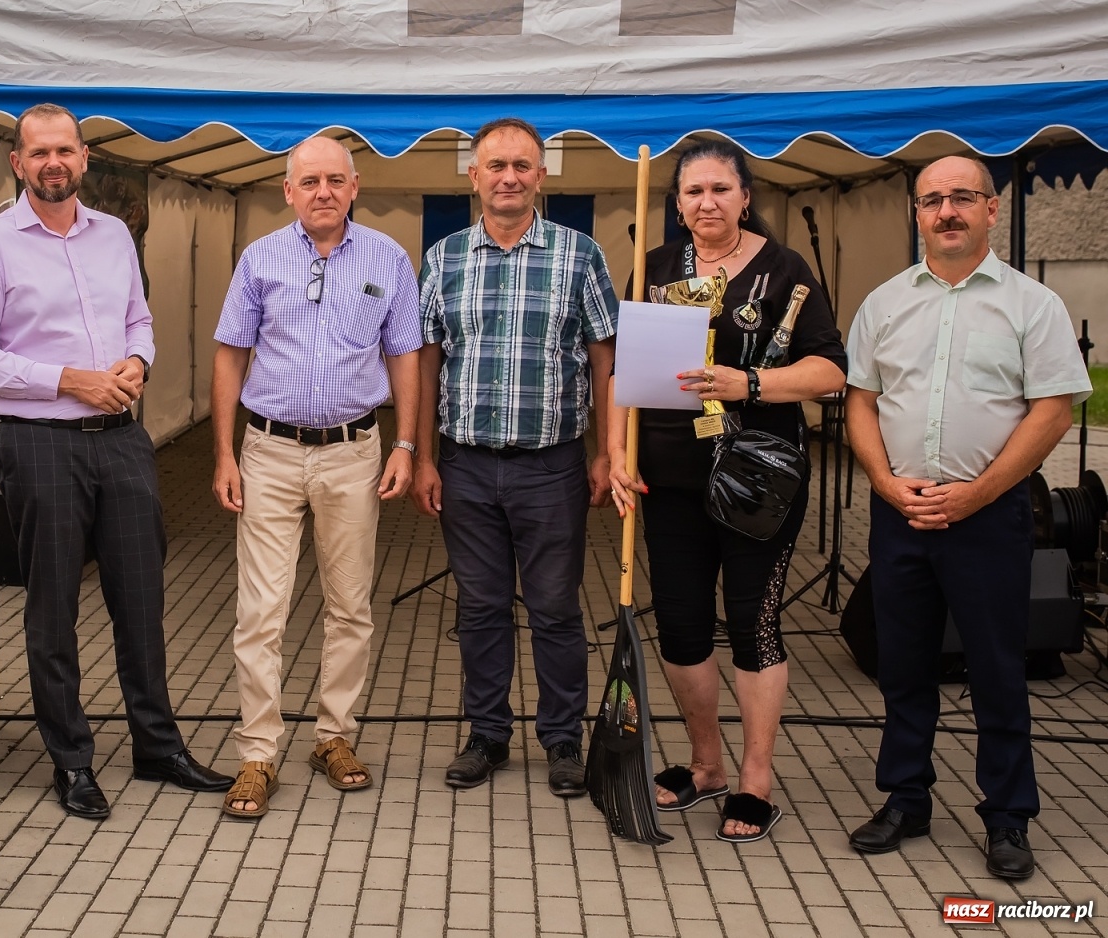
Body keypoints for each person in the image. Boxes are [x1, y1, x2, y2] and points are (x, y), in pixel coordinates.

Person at [0, 103, 230, 821]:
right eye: (38, 152)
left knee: (141, 600)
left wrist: (137, 359)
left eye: (65, 151)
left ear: (84, 158)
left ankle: (156, 746)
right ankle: (71, 761)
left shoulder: (113, 236)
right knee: (54, 608)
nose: (53, 164)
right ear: (18, 162)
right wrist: (68, 379)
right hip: (39, 443)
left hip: (123, 440)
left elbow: (140, 316)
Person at [844, 155, 1090, 880]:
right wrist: (884, 482)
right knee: (904, 665)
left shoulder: (1030, 304)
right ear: (916, 214)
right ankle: (906, 798)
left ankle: (1008, 816)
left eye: (961, 198)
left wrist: (979, 492)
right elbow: (860, 399)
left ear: (990, 209)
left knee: (997, 668)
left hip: (988, 517)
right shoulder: (884, 303)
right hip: (902, 512)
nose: (946, 211)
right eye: (931, 200)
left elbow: (1053, 409)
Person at [609, 139, 847, 844]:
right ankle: (706, 764)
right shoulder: (652, 271)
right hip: (670, 476)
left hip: (757, 479)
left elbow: (830, 371)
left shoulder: (785, 271)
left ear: (746, 196)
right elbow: (627, 372)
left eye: (720, 189)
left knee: (752, 624)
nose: (706, 203)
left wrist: (749, 384)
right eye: (693, 192)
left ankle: (755, 779)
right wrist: (619, 454)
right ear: (676, 204)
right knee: (680, 625)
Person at [210, 136, 422, 818]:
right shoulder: (259, 258)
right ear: (289, 191)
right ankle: (257, 753)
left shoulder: (387, 259)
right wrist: (221, 455)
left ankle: (334, 737)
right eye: (310, 181)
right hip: (268, 450)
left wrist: (408, 444)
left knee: (350, 604)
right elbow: (228, 356)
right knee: (261, 610)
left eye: (335, 180)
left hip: (355, 450)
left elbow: (406, 357)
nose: (323, 191)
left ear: (355, 186)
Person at [410, 118, 618, 797]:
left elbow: (604, 359)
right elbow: (426, 360)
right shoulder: (443, 259)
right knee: (479, 608)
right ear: (473, 176)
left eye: (522, 166)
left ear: (542, 176)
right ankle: (487, 735)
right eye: (496, 165)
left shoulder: (579, 254)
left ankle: (562, 740)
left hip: (551, 464)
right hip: (465, 463)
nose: (509, 177)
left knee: (557, 608)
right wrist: (421, 457)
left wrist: (609, 452)